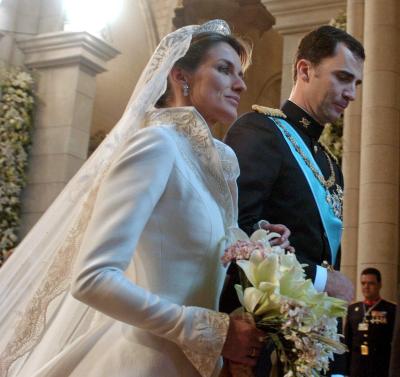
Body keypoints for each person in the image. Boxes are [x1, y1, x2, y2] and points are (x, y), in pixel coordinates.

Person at [0, 20, 292, 377]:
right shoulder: (156, 144)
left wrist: (262, 247)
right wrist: (207, 330)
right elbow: (93, 278)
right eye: (223, 69)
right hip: (141, 362)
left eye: (240, 73)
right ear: (180, 76)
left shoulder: (216, 163)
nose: (240, 83)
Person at [221, 25, 365, 377]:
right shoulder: (260, 131)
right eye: (343, 77)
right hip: (261, 340)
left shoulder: (330, 162)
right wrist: (319, 279)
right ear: (304, 70)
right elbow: (234, 235)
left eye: (356, 84)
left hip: (310, 340)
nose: (351, 94)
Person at [345, 268, 397, 377]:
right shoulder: (353, 309)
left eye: (371, 283)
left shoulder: (391, 309)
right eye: (363, 283)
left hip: (381, 364)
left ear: (379, 285)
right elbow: (347, 341)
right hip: (357, 365)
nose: (366, 287)